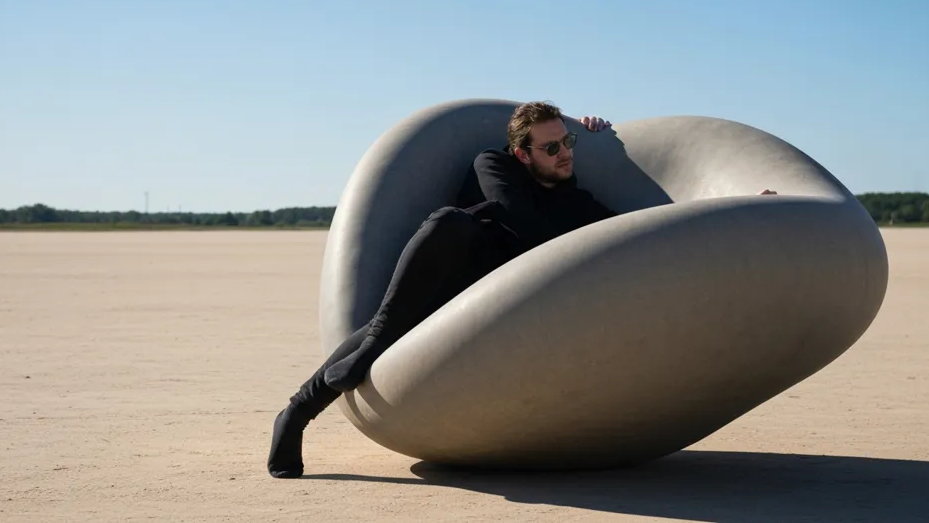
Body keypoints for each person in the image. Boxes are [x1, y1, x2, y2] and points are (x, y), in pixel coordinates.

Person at [267, 101, 775, 478]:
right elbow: (517, 216)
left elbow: (649, 229)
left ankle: (326, 385)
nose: (564, 153)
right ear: (522, 153)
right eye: (551, 147)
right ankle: (295, 415)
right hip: (440, 280)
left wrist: (740, 208)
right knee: (442, 234)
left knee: (389, 327)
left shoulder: (579, 203)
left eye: (567, 142)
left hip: (498, 311)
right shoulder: (493, 164)